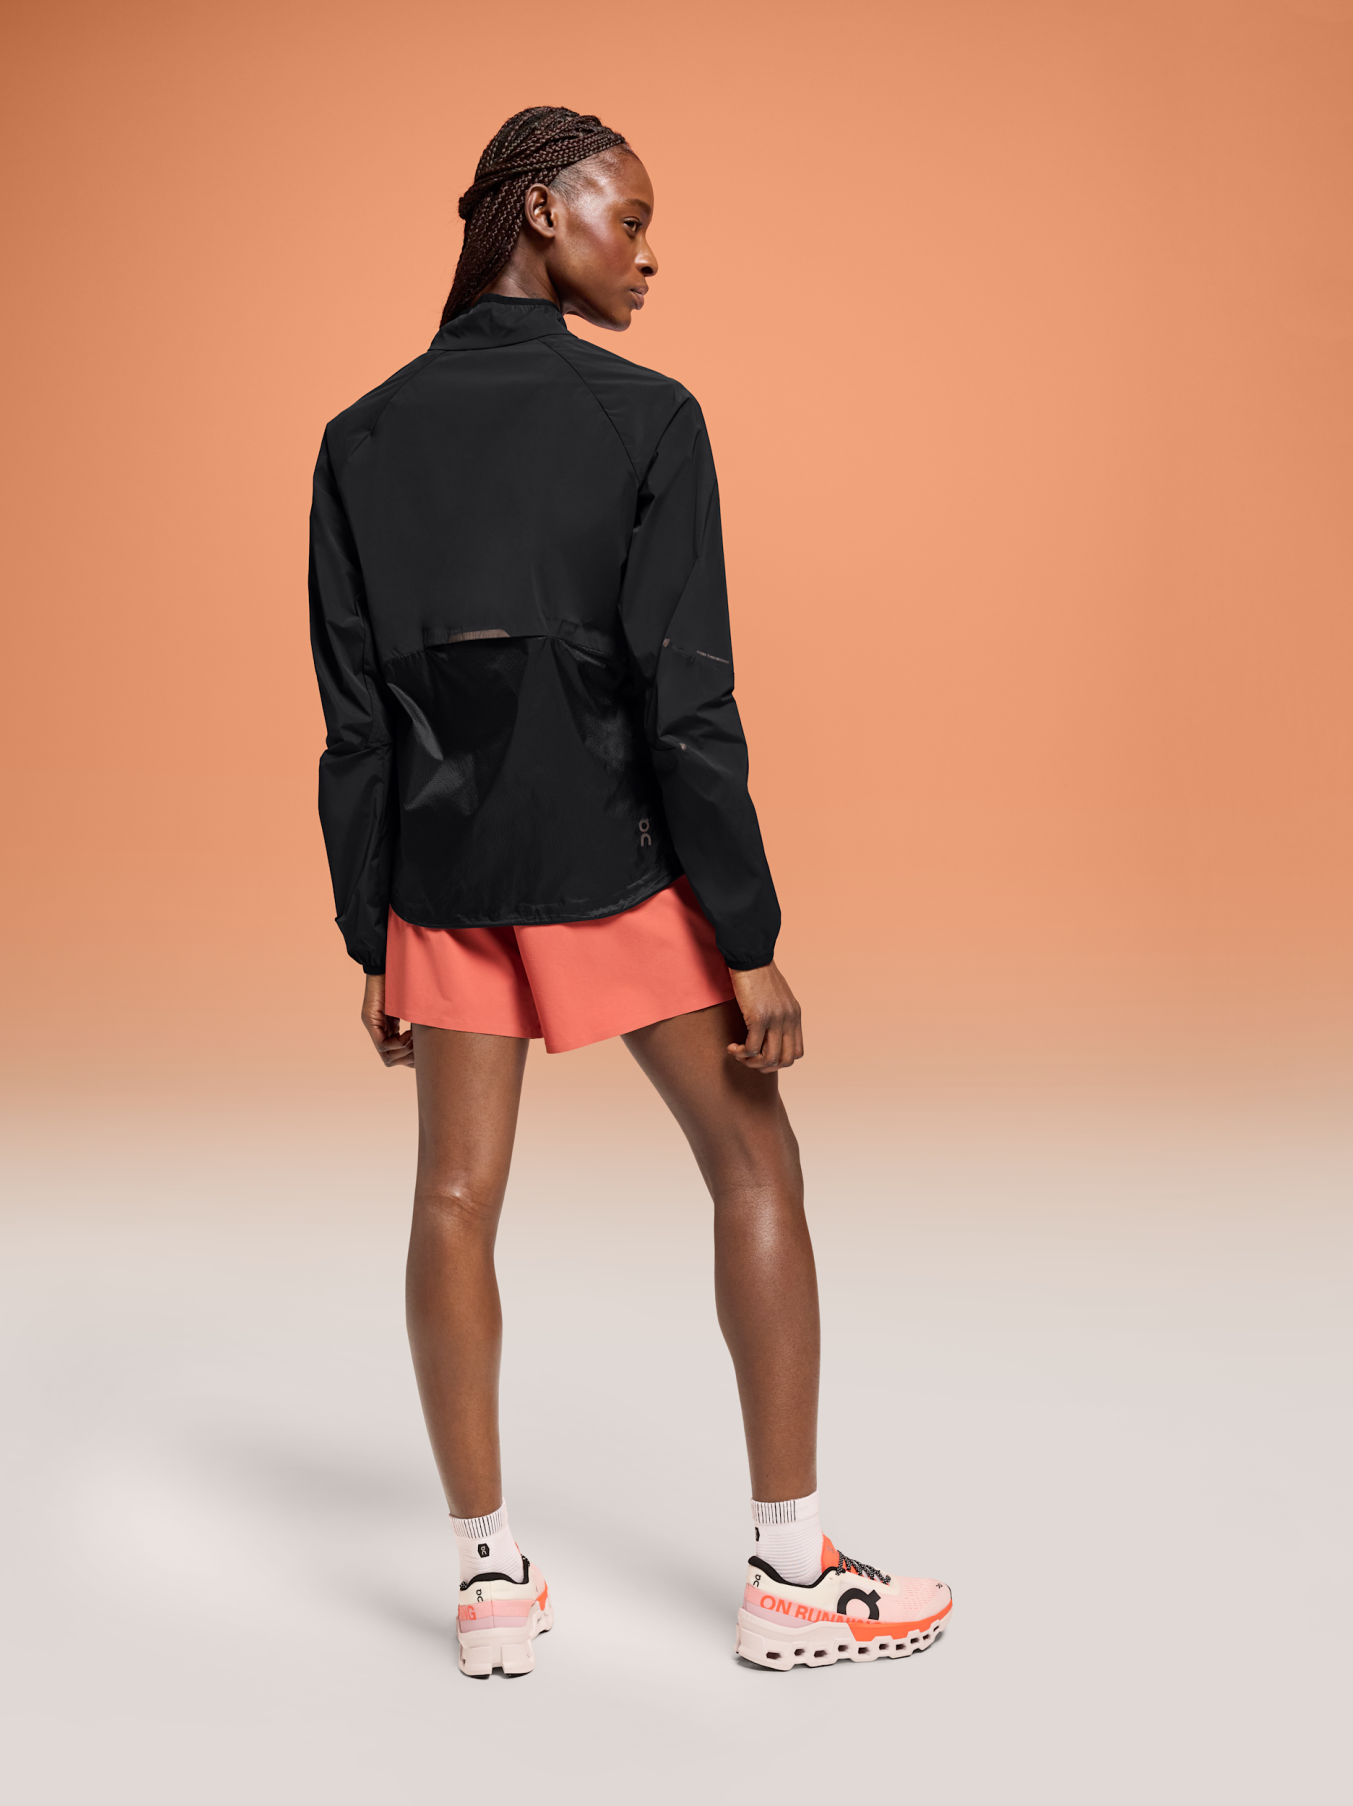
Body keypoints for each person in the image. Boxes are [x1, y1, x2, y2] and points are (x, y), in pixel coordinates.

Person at [308, 105, 950, 1676]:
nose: (650, 254)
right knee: (755, 1162)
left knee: (452, 1198)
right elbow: (685, 695)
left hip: (447, 878)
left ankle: (488, 1585)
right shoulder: (648, 417)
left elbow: (355, 719)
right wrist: (751, 935)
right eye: (630, 218)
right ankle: (792, 1572)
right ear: (542, 211)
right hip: (616, 859)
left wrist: (369, 925)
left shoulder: (359, 436)